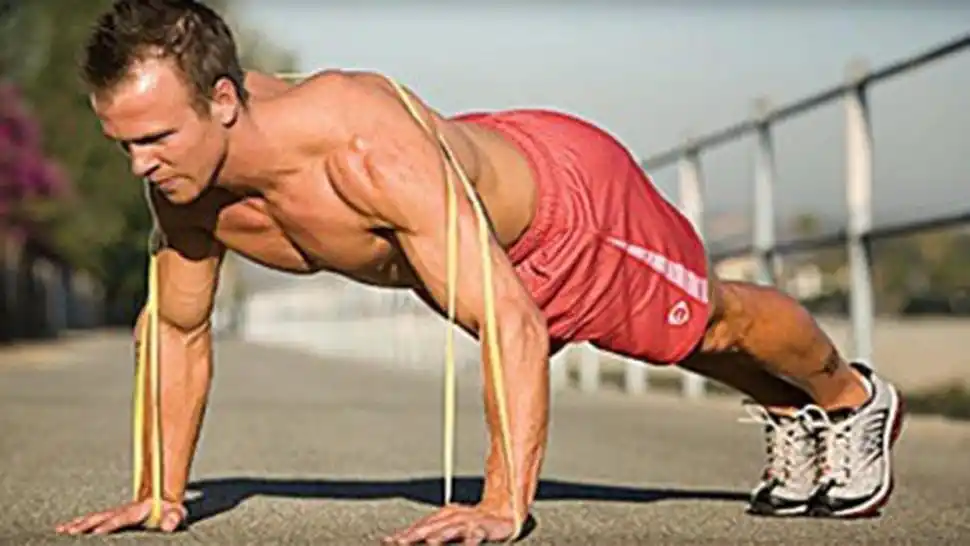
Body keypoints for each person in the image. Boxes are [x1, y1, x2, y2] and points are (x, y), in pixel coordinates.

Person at [56, 0, 905, 543]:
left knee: (705, 325)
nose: (138, 165)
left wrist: (503, 505)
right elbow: (175, 327)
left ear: (225, 100)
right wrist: (160, 492)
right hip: (468, 206)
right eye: (123, 143)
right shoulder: (186, 182)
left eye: (155, 138)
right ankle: (792, 411)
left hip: (567, 214)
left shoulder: (359, 145)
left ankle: (852, 401)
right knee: (683, 346)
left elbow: (512, 319)